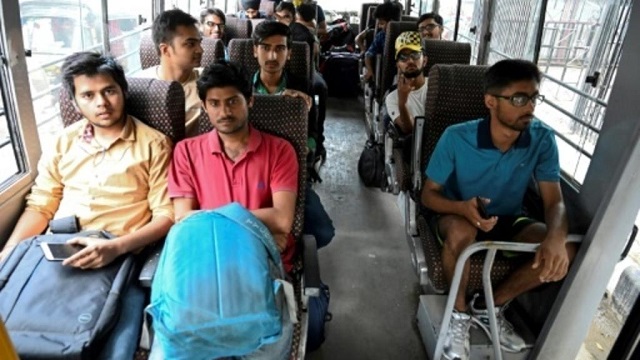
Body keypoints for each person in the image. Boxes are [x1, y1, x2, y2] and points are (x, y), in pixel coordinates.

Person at [0, 51, 174, 359]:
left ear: (123, 91)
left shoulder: (154, 144)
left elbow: (166, 215)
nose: (102, 103)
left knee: (106, 345)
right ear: (75, 101)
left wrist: (117, 247)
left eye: (109, 91)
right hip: (57, 249)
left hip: (119, 255)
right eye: (88, 95)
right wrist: (9, 252)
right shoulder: (63, 141)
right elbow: (42, 204)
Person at [421, 59, 577, 360]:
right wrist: (463, 208)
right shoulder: (457, 137)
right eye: (519, 99)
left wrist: (556, 237)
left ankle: (492, 306)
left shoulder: (542, 139)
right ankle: (460, 314)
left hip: (508, 216)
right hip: (457, 212)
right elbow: (429, 195)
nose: (529, 107)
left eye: (534, 97)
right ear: (491, 102)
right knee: (461, 230)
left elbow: (553, 201)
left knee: (567, 250)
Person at [164, 60, 295, 359]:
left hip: (261, 258)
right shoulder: (186, 151)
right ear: (204, 106)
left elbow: (283, 220)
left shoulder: (280, 150)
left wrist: (208, 217)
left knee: (264, 339)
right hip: (204, 258)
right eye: (215, 103)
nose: (224, 112)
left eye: (233, 101)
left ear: (249, 100)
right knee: (179, 339)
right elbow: (182, 218)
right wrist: (252, 221)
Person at [252, 20, 334, 249]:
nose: (272, 55)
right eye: (265, 48)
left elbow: (313, 131)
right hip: (251, 168)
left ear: (289, 53)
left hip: (288, 170)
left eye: (279, 49)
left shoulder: (302, 87)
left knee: (323, 232)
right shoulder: (240, 89)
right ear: (254, 50)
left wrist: (306, 147)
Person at [276, 2, 329, 160]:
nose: (281, 20)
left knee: (320, 87)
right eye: (278, 17)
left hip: (306, 70)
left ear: (294, 18)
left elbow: (314, 54)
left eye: (286, 17)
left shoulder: (300, 33)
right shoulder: (266, 32)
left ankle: (318, 138)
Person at [137, 9, 203, 135]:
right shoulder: (140, 86)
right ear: (166, 50)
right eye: (190, 44)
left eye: (199, 43)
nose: (200, 50)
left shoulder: (209, 83)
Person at [385, 31, 427, 135]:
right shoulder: (392, 98)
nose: (410, 61)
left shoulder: (438, 86)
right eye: (403, 57)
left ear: (425, 61)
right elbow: (408, 130)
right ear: (398, 65)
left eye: (415, 55)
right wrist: (402, 103)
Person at [358, 2, 402, 83]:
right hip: (386, 68)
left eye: (382, 23)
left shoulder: (406, 34)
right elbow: (368, 54)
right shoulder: (381, 36)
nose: (379, 26)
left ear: (392, 22)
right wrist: (370, 70)